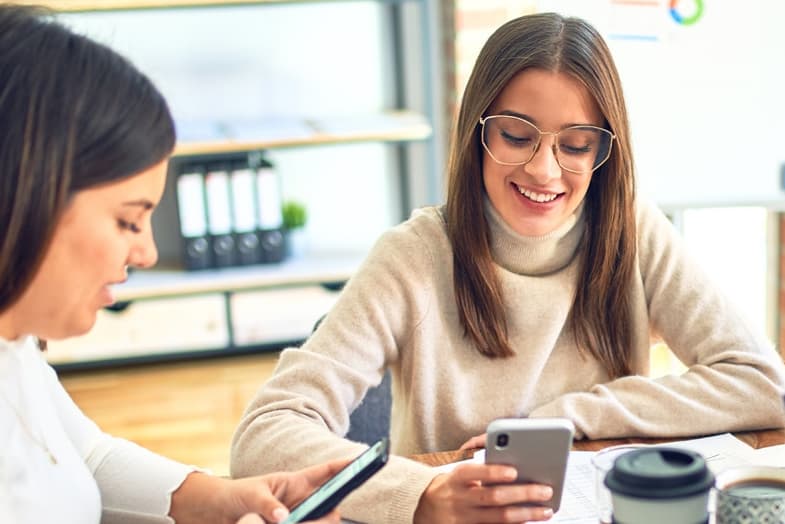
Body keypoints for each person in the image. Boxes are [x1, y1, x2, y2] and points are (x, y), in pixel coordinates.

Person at [229, 10, 785, 524]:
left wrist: (571, 416)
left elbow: (763, 384)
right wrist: (419, 495)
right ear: (478, 132)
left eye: (576, 145)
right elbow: (264, 435)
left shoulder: (632, 231)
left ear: (603, 151)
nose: (544, 170)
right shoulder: (414, 256)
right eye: (517, 136)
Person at [0, 5, 350, 523]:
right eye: (127, 221)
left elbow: (86, 458)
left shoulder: (16, 345)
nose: (146, 254)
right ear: (26, 193)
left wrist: (221, 498)